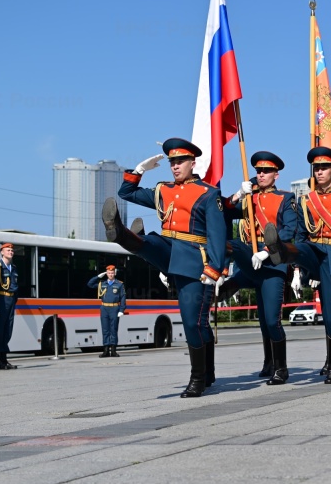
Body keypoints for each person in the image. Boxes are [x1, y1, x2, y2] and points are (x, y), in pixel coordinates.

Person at [103, 137, 226, 398]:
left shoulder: (208, 194)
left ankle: (200, 377)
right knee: (150, 241)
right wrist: (139, 171)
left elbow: (217, 235)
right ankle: (123, 235)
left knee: (195, 324)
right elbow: (126, 193)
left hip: (194, 262)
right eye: (172, 162)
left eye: (180, 161)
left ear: (193, 163)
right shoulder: (164, 190)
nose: (175, 166)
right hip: (169, 253)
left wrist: (214, 270)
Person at [264, 147, 331, 384]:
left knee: (329, 317)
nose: (319, 172)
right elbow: (302, 236)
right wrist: (299, 270)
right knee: (300, 246)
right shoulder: (305, 200)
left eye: (324, 168)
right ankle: (281, 250)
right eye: (316, 168)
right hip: (311, 253)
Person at [221, 151, 297, 384]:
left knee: (270, 320)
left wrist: (267, 250)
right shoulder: (247, 199)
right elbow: (222, 210)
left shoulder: (286, 198)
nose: (261, 175)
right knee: (220, 291)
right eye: (258, 171)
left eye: (266, 171)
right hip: (248, 263)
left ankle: (280, 368)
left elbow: (288, 230)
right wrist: (237, 195)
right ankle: (215, 278)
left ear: (276, 175)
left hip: (271, 265)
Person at [86, 264, 126, 359]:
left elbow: (123, 297)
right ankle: (106, 350)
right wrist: (98, 276)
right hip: (104, 308)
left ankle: (114, 350)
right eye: (108, 273)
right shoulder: (102, 284)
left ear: (114, 273)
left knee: (113, 329)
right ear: (106, 274)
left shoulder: (119, 284)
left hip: (114, 308)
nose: (110, 274)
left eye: (112, 273)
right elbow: (90, 284)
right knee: (105, 330)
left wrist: (122, 309)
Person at [0, 242, 19, 369]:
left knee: (8, 330)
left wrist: (15, 300)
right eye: (8, 250)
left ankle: (4, 359)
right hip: (1, 300)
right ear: (2, 252)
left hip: (10, 300)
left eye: (12, 250)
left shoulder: (13, 268)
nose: (10, 252)